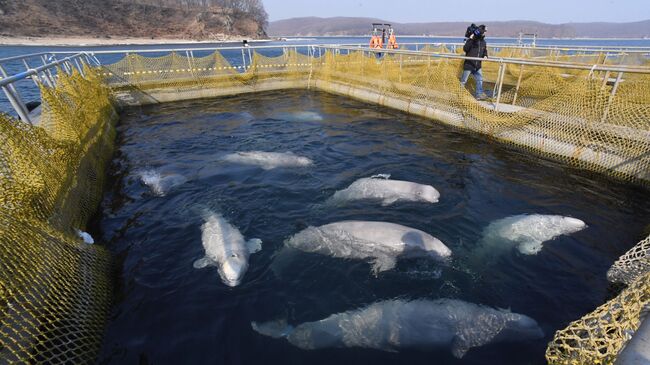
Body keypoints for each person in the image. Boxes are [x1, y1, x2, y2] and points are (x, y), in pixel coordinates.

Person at [461, 24, 488, 100]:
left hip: (478, 65)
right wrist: (471, 39)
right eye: (484, 32)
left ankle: (478, 94)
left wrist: (486, 55)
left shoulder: (483, 42)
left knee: (479, 79)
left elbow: (484, 50)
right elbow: (465, 49)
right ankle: (459, 94)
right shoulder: (471, 40)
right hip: (469, 64)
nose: (484, 33)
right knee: (463, 80)